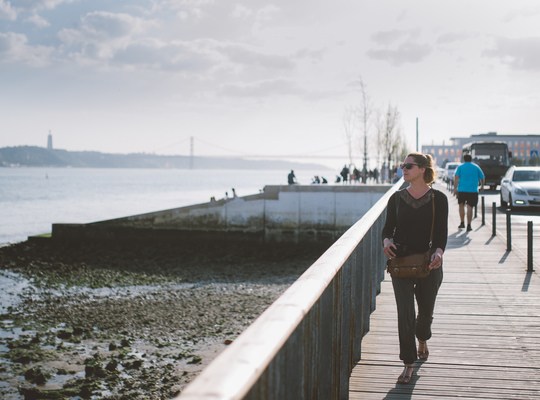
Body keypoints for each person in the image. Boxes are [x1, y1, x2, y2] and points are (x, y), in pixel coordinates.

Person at [382, 152, 448, 384]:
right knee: (405, 313)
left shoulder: (438, 199)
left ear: (422, 169)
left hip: (429, 264)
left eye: (408, 166)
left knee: (425, 312)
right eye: (402, 165)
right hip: (400, 264)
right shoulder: (396, 198)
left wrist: (438, 253)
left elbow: (441, 234)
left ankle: (423, 338)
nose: (404, 169)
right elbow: (387, 229)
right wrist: (387, 242)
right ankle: (408, 363)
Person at [453, 154, 485, 232]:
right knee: (470, 207)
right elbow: (482, 177)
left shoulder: (460, 167)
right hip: (473, 190)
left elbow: (456, 178)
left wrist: (455, 188)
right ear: (471, 159)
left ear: (464, 159)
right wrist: (482, 186)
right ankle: (469, 225)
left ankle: (462, 222)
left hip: (462, 190)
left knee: (461, 206)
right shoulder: (476, 167)